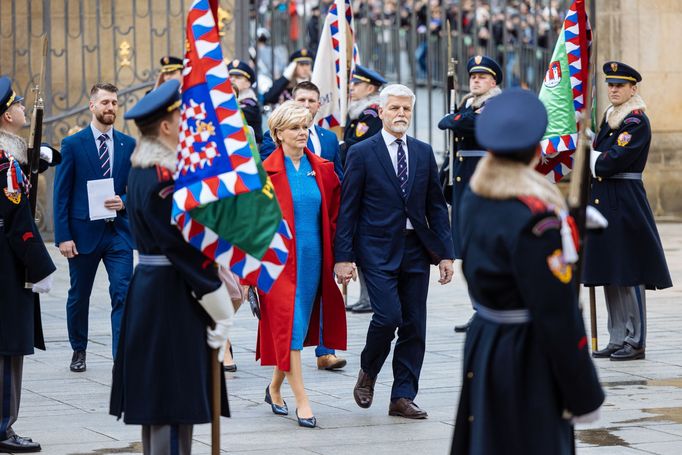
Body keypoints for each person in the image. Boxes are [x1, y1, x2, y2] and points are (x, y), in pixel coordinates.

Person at [451, 88, 604, 454]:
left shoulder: (474, 197)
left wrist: (570, 227)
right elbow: (557, 313)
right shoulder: (537, 222)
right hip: (527, 351)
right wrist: (584, 392)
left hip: (486, 340)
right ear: (537, 153)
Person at [109, 80, 232, 454]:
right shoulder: (164, 179)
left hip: (154, 286)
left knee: (160, 398)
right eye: (181, 116)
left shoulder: (144, 168)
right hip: (172, 292)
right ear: (165, 126)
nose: (187, 122)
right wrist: (215, 298)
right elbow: (180, 247)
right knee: (174, 396)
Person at [335, 84, 454, 419]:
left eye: (406, 109)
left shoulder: (422, 151)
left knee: (415, 325)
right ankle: (369, 371)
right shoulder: (361, 152)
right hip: (375, 248)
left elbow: (435, 206)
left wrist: (446, 254)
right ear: (382, 111)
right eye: (396, 109)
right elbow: (348, 210)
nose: (401, 115)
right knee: (388, 317)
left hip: (416, 249)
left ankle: (402, 395)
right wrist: (344, 257)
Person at [258, 101, 347, 428]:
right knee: (291, 326)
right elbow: (251, 225)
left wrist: (341, 259)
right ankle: (303, 401)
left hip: (313, 261)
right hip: (276, 264)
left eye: (305, 127)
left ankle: (274, 387)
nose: (302, 133)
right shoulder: (262, 172)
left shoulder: (322, 169)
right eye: (294, 128)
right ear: (278, 133)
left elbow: (336, 218)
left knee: (293, 327)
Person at [583, 61, 672, 361]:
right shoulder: (610, 119)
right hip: (606, 200)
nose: (613, 89)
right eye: (610, 84)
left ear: (633, 89)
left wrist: (589, 154)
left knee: (629, 271)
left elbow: (610, 162)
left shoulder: (635, 122)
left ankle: (635, 339)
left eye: (620, 85)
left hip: (625, 200)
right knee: (611, 270)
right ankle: (617, 336)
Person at [53, 82, 136, 372]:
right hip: (83, 234)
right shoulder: (73, 145)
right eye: (105, 103)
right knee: (79, 295)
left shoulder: (128, 144)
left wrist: (123, 201)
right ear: (92, 106)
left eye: (114, 102)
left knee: (123, 292)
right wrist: (63, 237)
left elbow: (135, 188)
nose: (110, 107)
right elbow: (61, 194)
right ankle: (79, 349)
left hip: (118, 234)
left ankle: (121, 356)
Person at [0, 77, 56, 454]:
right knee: (8, 349)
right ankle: (3, 428)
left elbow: (38, 158)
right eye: (18, 104)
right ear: (6, 114)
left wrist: (44, 154)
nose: (23, 108)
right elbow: (18, 220)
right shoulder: (6, 164)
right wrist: (40, 267)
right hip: (7, 268)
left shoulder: (11, 156)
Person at [438, 55, 502, 333]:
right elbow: (448, 123)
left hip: (484, 180)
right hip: (464, 181)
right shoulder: (467, 104)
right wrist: (459, 117)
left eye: (482, 77)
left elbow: (473, 126)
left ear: (493, 82)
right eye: (473, 76)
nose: (475, 80)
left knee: (485, 248)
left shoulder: (495, 104)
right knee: (468, 250)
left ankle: (490, 308)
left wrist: (458, 119)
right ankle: (479, 307)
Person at [342, 65, 387, 314]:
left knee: (367, 244)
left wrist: (340, 145)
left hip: (368, 181)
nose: (351, 89)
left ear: (370, 88)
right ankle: (365, 297)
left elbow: (359, 144)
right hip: (357, 177)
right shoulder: (357, 111)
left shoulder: (369, 113)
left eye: (356, 85)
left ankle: (370, 298)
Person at [227, 59, 263, 144]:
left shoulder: (250, 104)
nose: (232, 80)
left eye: (238, 77)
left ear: (248, 83)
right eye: (230, 77)